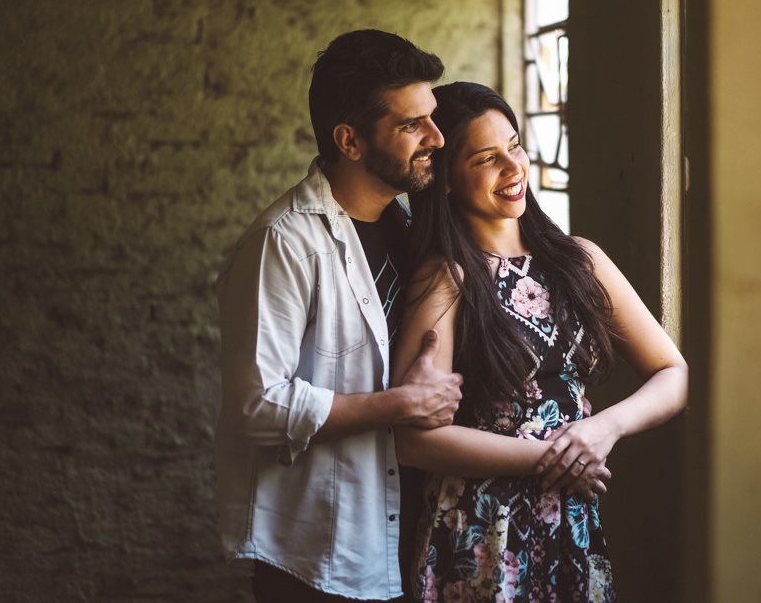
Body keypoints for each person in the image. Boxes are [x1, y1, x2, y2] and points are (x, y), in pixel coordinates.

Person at [390, 82, 689, 602]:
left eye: (515, 146)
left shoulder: (579, 261)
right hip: (480, 529)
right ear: (446, 180)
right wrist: (553, 457)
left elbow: (674, 374)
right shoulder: (446, 278)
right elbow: (412, 440)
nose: (514, 168)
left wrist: (602, 429)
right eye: (487, 158)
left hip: (571, 520)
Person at [213, 30, 465, 603]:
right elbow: (258, 405)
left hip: (403, 535)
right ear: (350, 140)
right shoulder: (284, 242)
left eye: (432, 117)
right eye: (412, 125)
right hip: (319, 555)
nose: (436, 137)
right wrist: (400, 405)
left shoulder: (410, 231)